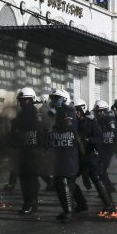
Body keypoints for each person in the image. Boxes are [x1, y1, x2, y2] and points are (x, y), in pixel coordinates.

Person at [74, 98, 114, 212]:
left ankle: (109, 205)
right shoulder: (72, 124)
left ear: (82, 110)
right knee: (69, 178)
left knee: (97, 178)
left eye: (77, 110)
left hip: (90, 156)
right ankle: (81, 204)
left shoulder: (91, 123)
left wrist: (88, 140)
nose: (76, 113)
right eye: (74, 110)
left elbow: (99, 140)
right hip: (78, 158)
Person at [48, 89, 79, 223]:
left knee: (64, 179)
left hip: (68, 151)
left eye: (57, 99)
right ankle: (76, 205)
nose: (54, 101)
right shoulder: (57, 114)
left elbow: (68, 128)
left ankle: (68, 211)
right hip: (59, 151)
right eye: (53, 99)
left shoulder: (67, 112)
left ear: (64, 99)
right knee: (62, 180)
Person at [8, 87, 40, 214]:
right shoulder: (20, 115)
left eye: (26, 100)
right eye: (21, 100)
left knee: (31, 179)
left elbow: (44, 133)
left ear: (32, 100)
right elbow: (14, 134)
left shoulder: (36, 115)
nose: (23, 102)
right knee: (24, 179)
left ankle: (31, 203)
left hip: (34, 152)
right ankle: (29, 202)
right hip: (23, 151)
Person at [93, 100, 117, 195]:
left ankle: (107, 188)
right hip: (103, 149)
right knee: (101, 169)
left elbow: (111, 136)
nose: (98, 113)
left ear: (105, 111)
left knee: (101, 169)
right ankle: (108, 187)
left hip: (108, 149)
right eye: (97, 111)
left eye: (100, 111)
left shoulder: (109, 120)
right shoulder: (99, 121)